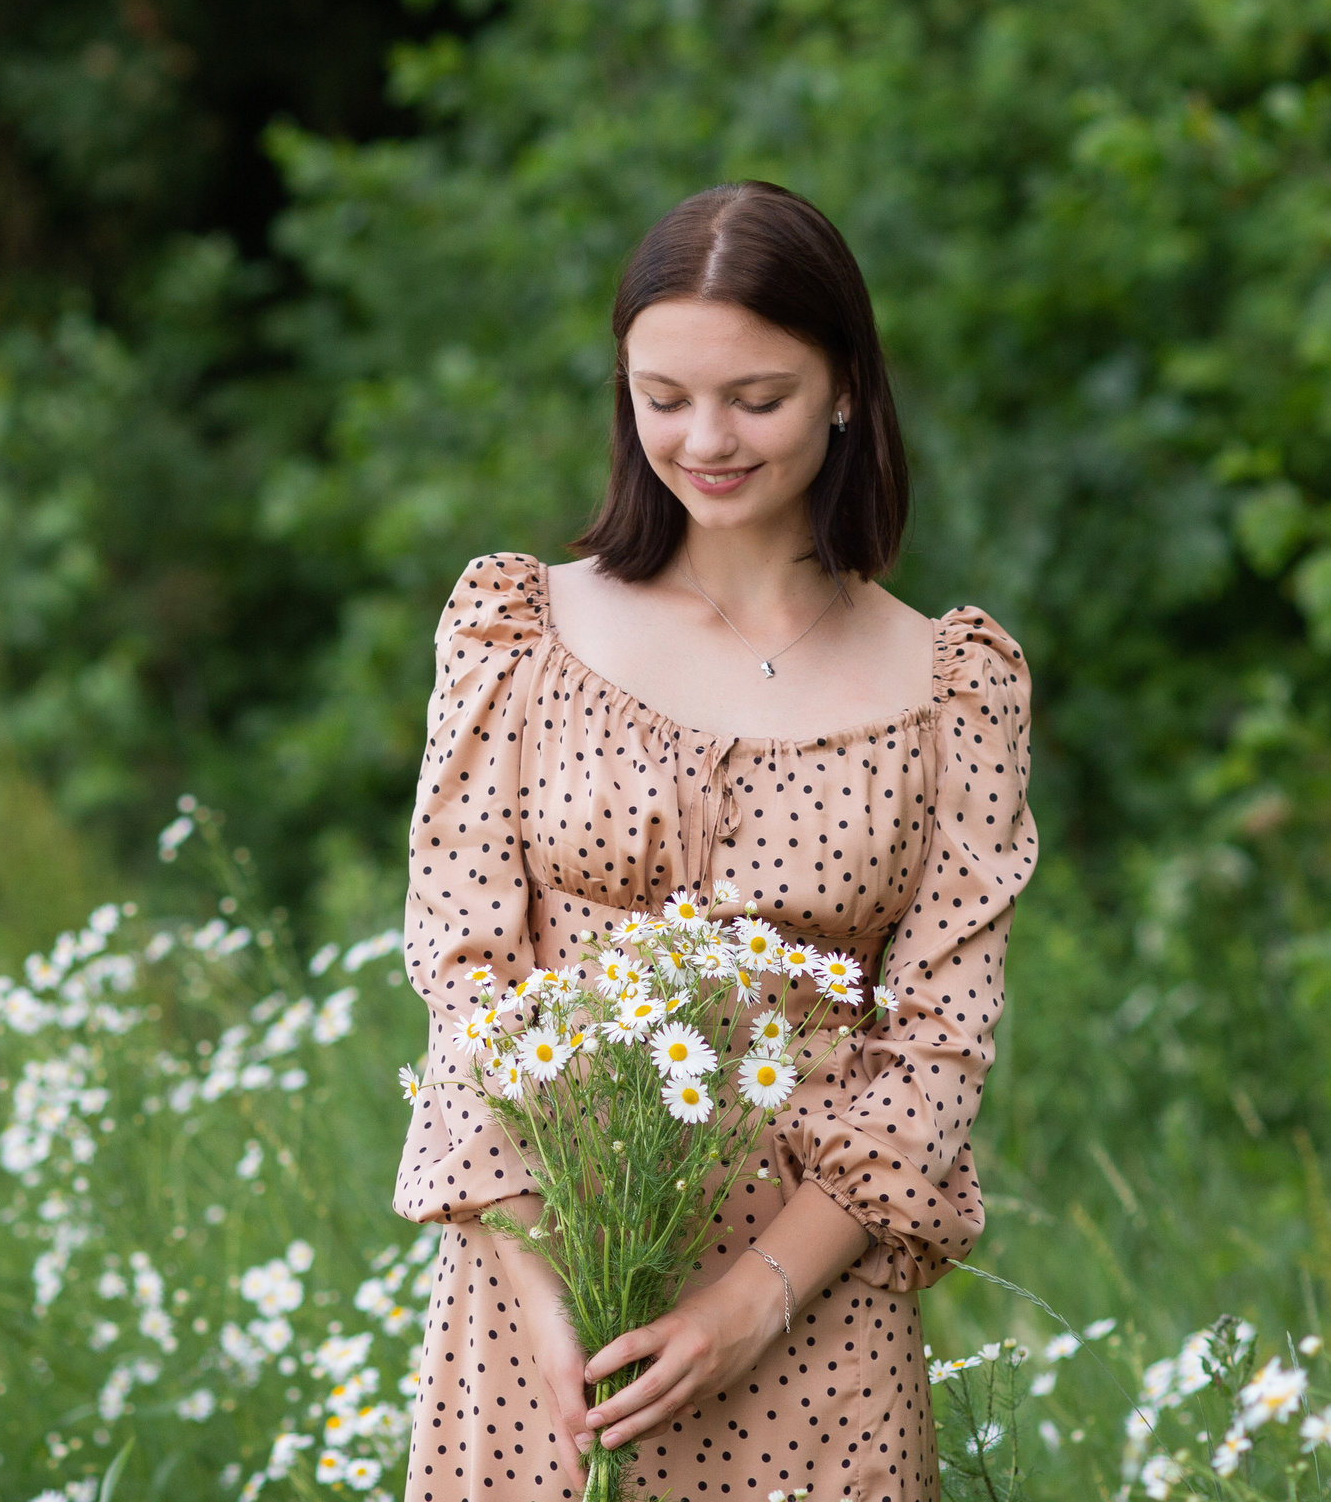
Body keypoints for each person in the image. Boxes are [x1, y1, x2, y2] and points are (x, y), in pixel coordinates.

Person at [392, 180, 1039, 1501]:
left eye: (757, 398)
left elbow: (939, 1045)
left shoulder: (952, 689)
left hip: (811, 1321)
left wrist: (752, 1305)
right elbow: (464, 976)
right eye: (664, 397)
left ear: (847, 388)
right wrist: (549, 1283)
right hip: (546, 1301)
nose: (706, 440)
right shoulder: (520, 632)